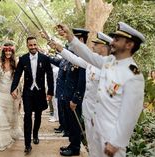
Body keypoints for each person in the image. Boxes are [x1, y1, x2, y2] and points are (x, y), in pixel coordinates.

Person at [56, 22, 145, 157]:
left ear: (129, 45)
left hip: (111, 135)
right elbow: (87, 55)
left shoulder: (133, 75)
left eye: (116, 40)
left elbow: (131, 114)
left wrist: (116, 141)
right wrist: (70, 36)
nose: (112, 43)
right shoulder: (109, 62)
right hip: (97, 126)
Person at [49, 32, 112, 157]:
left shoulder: (109, 65)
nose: (93, 47)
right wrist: (58, 47)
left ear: (104, 47)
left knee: (102, 144)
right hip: (88, 111)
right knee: (92, 143)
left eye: (96, 44)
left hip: (101, 113)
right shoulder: (91, 62)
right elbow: (74, 59)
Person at [11, 36, 54, 154]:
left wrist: (50, 92)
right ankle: (27, 144)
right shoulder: (23, 59)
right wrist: (13, 88)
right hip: (28, 92)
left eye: (35, 45)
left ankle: (35, 134)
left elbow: (49, 75)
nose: (33, 47)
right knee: (27, 116)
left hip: (40, 92)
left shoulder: (45, 59)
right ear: (27, 46)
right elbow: (17, 74)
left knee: (38, 115)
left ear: (37, 44)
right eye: (31, 45)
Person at [0, 42, 22, 151]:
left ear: (13, 52)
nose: (8, 53)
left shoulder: (16, 63)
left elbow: (18, 79)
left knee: (10, 116)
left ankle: (11, 133)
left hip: (11, 93)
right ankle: (1, 140)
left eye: (10, 51)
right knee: (0, 115)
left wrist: (16, 90)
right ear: (3, 52)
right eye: (6, 51)